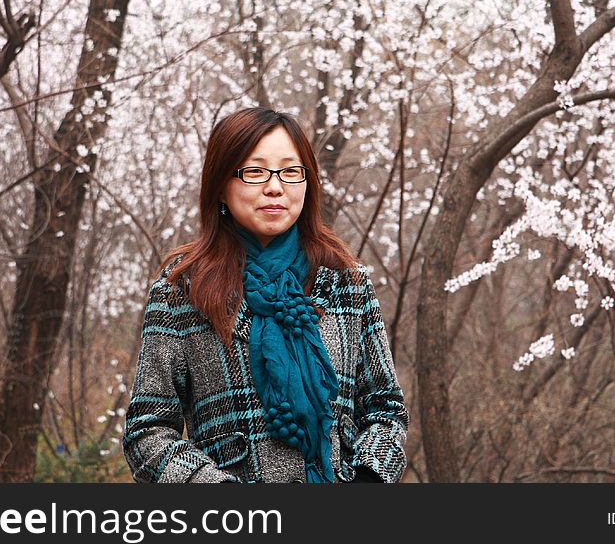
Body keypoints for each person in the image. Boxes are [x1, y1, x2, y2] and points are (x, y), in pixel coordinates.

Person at [122, 107, 408, 483]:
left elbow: (385, 408)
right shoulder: (183, 290)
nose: (275, 187)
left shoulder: (344, 280)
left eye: (291, 171)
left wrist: (368, 480)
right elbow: (148, 430)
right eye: (255, 172)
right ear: (221, 184)